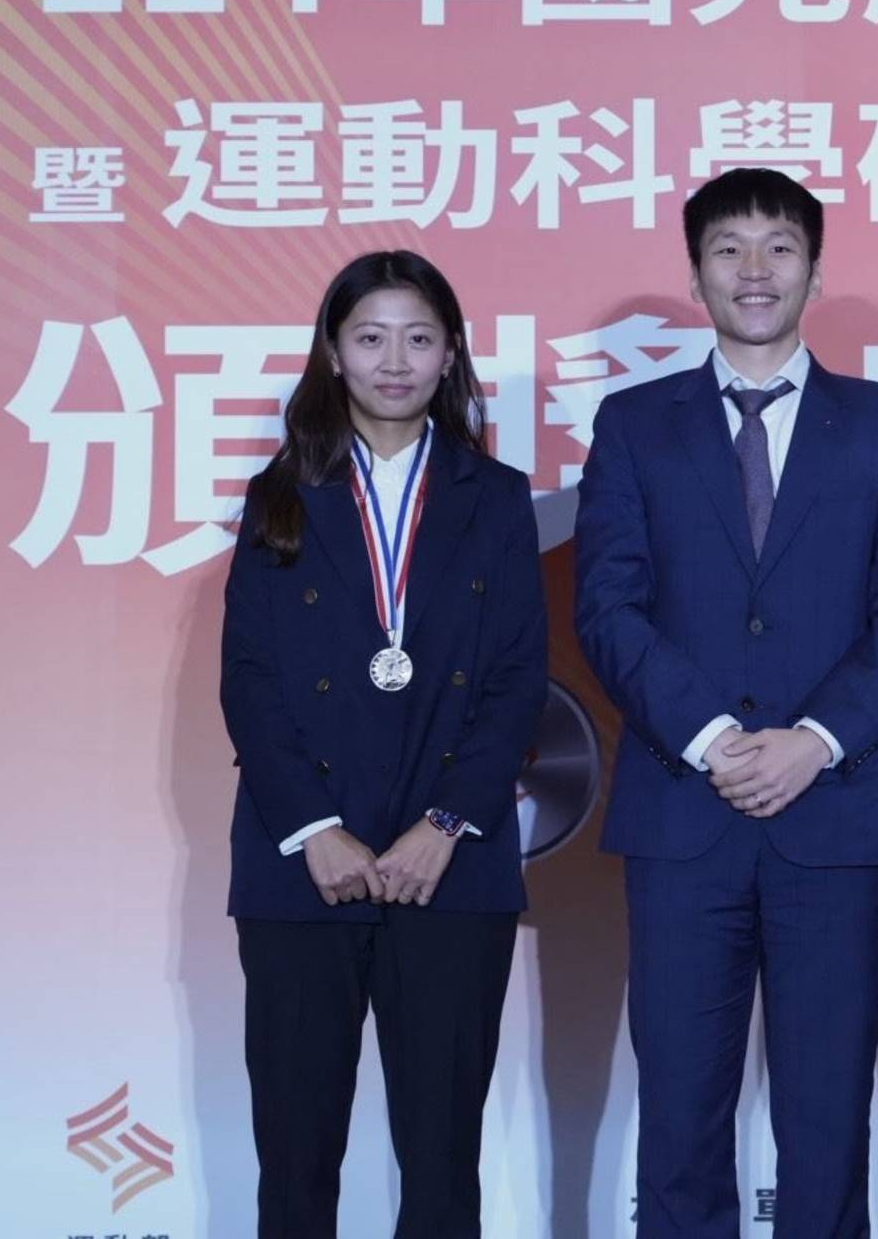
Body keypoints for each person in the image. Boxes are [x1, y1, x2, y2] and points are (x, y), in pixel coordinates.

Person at [573, 168, 878, 1239]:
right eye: (727, 248)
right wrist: (712, 739)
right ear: (694, 273)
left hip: (834, 817)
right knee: (679, 1118)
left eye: (778, 246)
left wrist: (814, 741)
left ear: (814, 271)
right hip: (682, 816)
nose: (754, 268)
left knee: (826, 1119)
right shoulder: (635, 424)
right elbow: (607, 605)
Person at [220, 249, 548, 1239]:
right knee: (294, 1159)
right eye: (370, 338)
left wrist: (443, 826)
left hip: (452, 865)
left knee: (442, 1165)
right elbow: (249, 682)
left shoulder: (496, 496)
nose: (394, 361)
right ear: (333, 352)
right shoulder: (279, 493)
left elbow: (515, 682)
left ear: (450, 353)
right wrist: (315, 829)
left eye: (417, 338)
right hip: (301, 867)